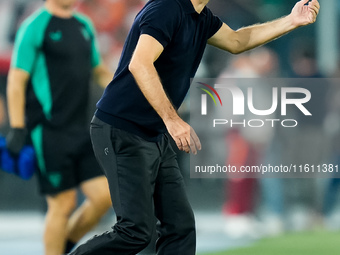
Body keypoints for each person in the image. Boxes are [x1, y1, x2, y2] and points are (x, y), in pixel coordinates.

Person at [68, 0, 320, 254]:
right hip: (122, 129)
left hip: (154, 134)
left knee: (180, 227)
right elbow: (140, 63)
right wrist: (173, 120)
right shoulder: (166, 8)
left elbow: (237, 41)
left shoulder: (202, 17)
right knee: (135, 231)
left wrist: (291, 20)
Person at [6, 0, 113, 254]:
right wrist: (18, 127)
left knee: (103, 198)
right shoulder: (34, 27)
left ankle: (63, 246)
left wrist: (123, 90)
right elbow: (16, 79)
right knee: (62, 204)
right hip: (48, 130)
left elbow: (98, 70)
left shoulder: (83, 24)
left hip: (82, 127)